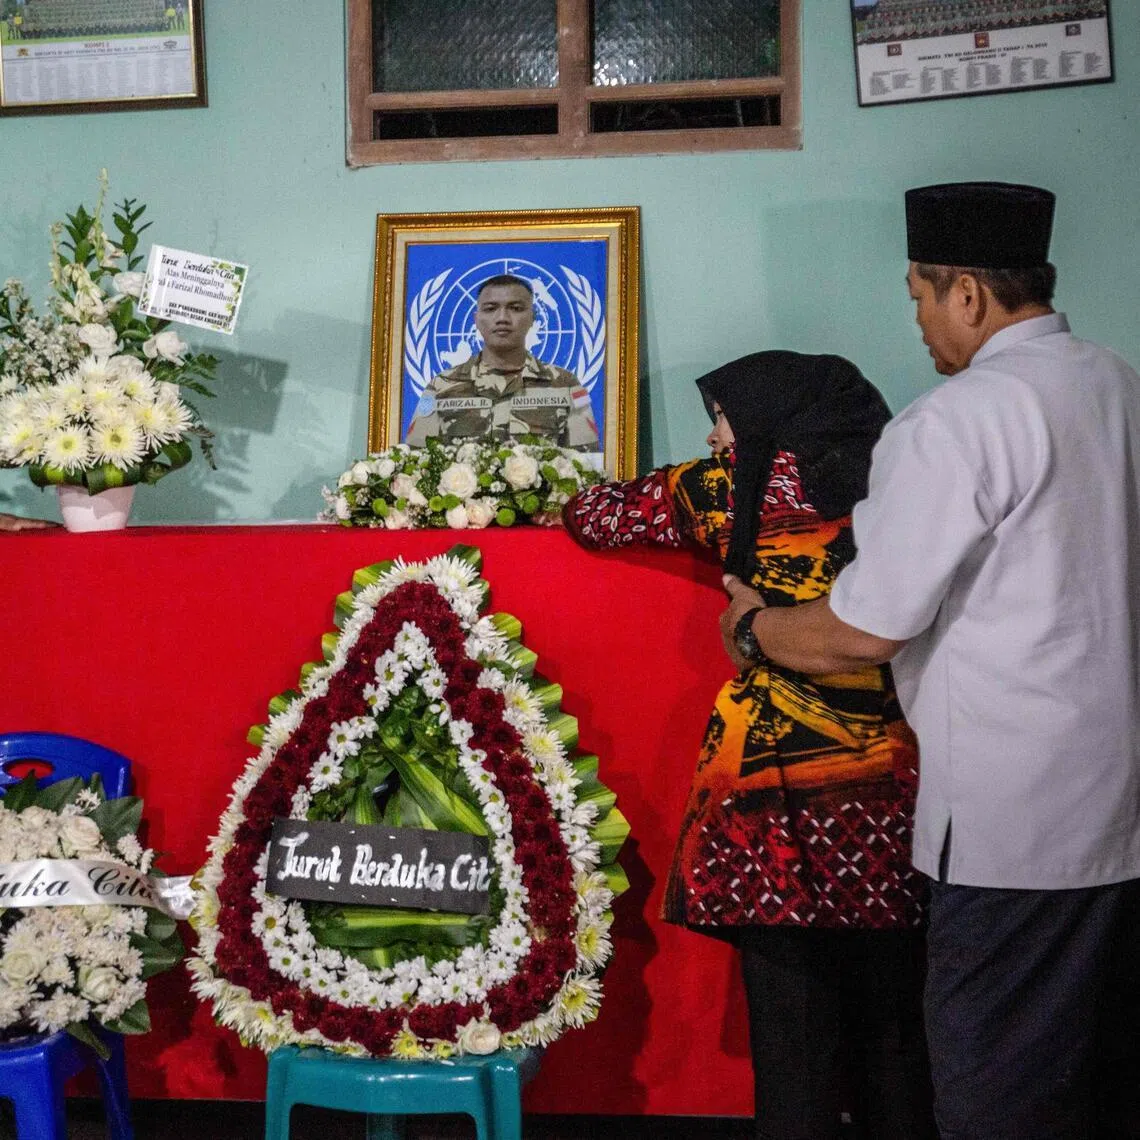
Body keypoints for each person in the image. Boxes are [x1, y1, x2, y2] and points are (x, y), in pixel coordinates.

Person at [721, 182, 1140, 1138]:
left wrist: (756, 630)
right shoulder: (1121, 386)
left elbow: (864, 630)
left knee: (996, 1090)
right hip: (1122, 811)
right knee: (1101, 1090)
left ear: (968, 295)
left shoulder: (955, 421)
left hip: (1012, 826)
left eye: (918, 294)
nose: (915, 320)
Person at [564, 351, 936, 1140]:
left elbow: (592, 513)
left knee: (793, 1049)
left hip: (773, 807)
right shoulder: (901, 489)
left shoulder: (727, 490)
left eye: (724, 419)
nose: (712, 435)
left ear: (764, 425)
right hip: (895, 795)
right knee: (896, 1041)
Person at [404, 274, 600, 452]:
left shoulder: (567, 385)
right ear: (476, 319)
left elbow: (586, 463)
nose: (502, 318)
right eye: (490, 309)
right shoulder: (439, 386)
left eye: (515, 308)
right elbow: (417, 462)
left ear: (532, 318)